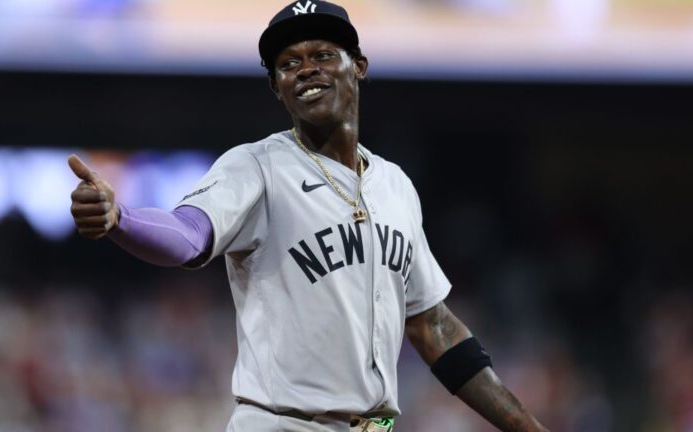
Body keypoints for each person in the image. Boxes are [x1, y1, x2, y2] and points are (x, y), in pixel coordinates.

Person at [68, 1, 549, 431]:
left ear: (357, 66)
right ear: (277, 88)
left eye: (322, 55)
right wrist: (122, 218)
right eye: (288, 63)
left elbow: (433, 327)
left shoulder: (395, 185)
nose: (305, 70)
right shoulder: (257, 167)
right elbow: (188, 235)